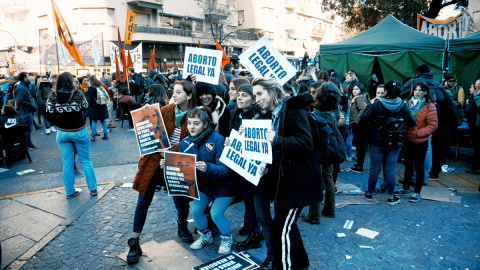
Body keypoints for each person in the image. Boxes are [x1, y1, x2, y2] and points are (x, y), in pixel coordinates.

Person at [251, 78, 322, 269]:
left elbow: (306, 143)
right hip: (285, 182)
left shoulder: (293, 109)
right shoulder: (273, 114)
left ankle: (282, 266)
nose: (256, 99)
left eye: (259, 94)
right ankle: (301, 261)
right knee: (287, 225)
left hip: (298, 183)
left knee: (281, 229)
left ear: (273, 92)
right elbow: (278, 152)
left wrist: (277, 139)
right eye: (254, 95)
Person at [127, 80, 197, 265]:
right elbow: (149, 135)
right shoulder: (165, 110)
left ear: (189, 95)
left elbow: (193, 142)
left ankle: (182, 224)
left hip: (177, 164)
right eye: (173, 91)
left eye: (179, 92)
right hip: (154, 162)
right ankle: (134, 242)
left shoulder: (197, 114)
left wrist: (169, 151)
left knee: (181, 200)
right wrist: (146, 117)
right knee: (143, 200)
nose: (174, 95)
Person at [160, 107, 233, 254]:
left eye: (196, 123)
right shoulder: (184, 143)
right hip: (205, 185)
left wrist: (208, 168)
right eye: (189, 123)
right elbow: (181, 167)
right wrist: (168, 165)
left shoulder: (218, 140)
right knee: (196, 211)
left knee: (216, 213)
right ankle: (206, 236)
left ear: (205, 125)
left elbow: (226, 169)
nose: (192, 127)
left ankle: (227, 239)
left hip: (225, 185)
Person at [361, 80, 416, 205]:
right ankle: (391, 197)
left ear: (385, 91)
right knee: (390, 169)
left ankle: (369, 194)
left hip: (377, 140)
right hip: (395, 142)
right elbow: (412, 122)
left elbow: (364, 118)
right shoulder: (403, 105)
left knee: (375, 168)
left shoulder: (377, 104)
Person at [45, 72, 98, 198]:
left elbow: (48, 113)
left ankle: (69, 191)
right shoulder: (78, 94)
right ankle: (93, 189)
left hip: (62, 133)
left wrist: (58, 122)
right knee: (86, 160)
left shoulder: (53, 95)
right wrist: (78, 116)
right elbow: (86, 108)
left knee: (67, 163)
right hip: (79, 130)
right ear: (70, 81)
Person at [227, 84, 264, 251]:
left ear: (253, 99)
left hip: (254, 166)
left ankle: (255, 234)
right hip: (239, 165)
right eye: (239, 94)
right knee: (247, 198)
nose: (240, 97)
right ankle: (250, 225)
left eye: (244, 95)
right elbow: (231, 135)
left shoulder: (260, 116)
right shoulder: (235, 113)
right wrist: (230, 140)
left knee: (253, 200)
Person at [402, 64, 455, 180]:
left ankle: (413, 178)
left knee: (413, 151)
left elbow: (399, 93)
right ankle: (424, 177)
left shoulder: (413, 82)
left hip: (415, 122)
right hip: (434, 122)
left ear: (417, 73)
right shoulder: (437, 84)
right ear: (430, 72)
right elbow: (449, 101)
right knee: (427, 150)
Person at [302, 82, 345, 225]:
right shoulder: (335, 110)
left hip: (318, 151)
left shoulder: (316, 113)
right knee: (329, 179)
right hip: (331, 149)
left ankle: (314, 215)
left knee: (316, 181)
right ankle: (330, 210)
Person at [395, 81, 438, 202]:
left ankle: (417, 192)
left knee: (419, 167)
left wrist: (418, 133)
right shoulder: (408, 103)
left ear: (425, 92)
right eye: (415, 90)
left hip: (420, 141)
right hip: (407, 140)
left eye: (420, 90)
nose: (417, 92)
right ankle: (405, 188)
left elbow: (433, 125)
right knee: (408, 165)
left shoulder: (430, 106)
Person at [348, 81, 370, 173]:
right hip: (359, 125)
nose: (355, 90)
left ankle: (359, 165)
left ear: (361, 90)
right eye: (354, 89)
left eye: (357, 89)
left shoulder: (359, 98)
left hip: (359, 126)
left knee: (360, 146)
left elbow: (364, 109)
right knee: (360, 146)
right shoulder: (358, 97)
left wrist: (356, 121)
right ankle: (359, 164)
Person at [15, 72, 38, 149]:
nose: (30, 78)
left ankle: (29, 144)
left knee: (28, 129)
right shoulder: (21, 88)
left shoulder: (24, 86)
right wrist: (31, 105)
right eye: (28, 77)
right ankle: (26, 146)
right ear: (25, 79)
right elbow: (20, 101)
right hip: (25, 112)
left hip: (28, 111)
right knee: (26, 130)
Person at [87, 76, 110, 141]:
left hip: (94, 106)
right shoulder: (100, 86)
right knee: (103, 121)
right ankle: (105, 134)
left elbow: (90, 98)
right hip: (102, 105)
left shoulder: (91, 88)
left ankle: (93, 136)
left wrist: (90, 106)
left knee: (94, 121)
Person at [465, 79, 480, 175]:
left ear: (477, 88)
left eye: (472, 87)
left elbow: (468, 111)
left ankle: (477, 167)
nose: (471, 89)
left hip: (477, 127)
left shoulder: (477, 99)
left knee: (478, 147)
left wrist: (468, 104)